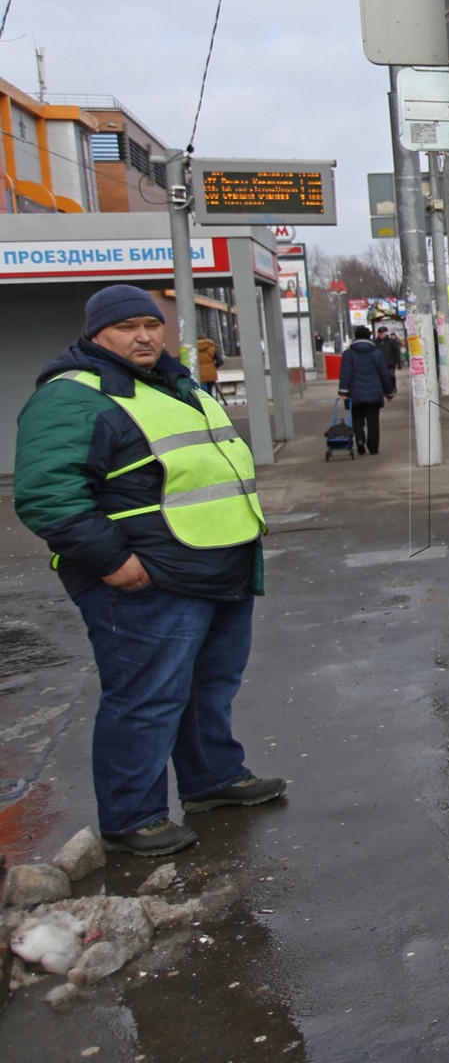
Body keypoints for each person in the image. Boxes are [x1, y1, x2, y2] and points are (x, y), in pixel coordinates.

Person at [12, 285, 285, 857]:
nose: (143, 336)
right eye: (127, 327)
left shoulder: (176, 383)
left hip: (216, 563)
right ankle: (132, 816)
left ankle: (213, 779)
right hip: (146, 576)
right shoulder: (73, 396)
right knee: (144, 697)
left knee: (209, 686)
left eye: (151, 324)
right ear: (96, 334)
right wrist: (113, 561)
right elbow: (47, 495)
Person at [337, 326, 396, 456]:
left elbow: (345, 374)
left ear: (356, 336)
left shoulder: (348, 354)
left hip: (355, 394)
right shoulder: (377, 353)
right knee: (373, 421)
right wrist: (389, 392)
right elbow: (384, 374)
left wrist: (343, 392)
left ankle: (359, 440)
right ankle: (373, 447)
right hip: (374, 394)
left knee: (357, 419)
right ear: (369, 336)